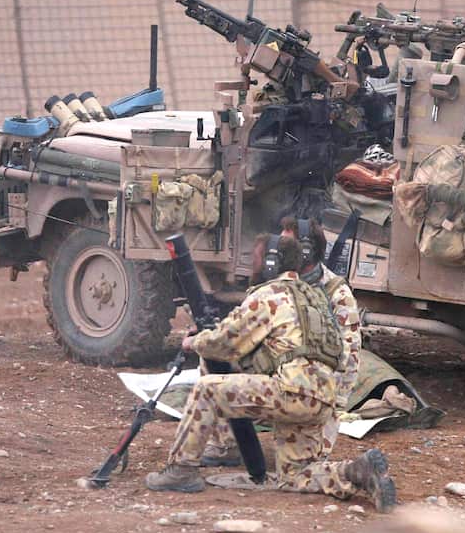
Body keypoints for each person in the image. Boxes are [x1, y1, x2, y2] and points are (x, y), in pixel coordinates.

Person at [144, 221, 396, 512]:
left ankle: (180, 471)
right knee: (295, 476)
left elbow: (225, 342)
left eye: (257, 259)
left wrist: (195, 342)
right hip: (318, 398)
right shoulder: (312, 294)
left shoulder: (269, 295)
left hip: (290, 392)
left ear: (271, 263)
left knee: (207, 390)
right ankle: (357, 473)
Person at [200, 218, 364, 465]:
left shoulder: (335, 293)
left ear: (306, 251)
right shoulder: (272, 284)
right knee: (212, 359)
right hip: (272, 372)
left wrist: (334, 406)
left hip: (312, 388)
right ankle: (227, 444)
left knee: (305, 468)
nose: (276, 251)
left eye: (285, 244)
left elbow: (349, 356)